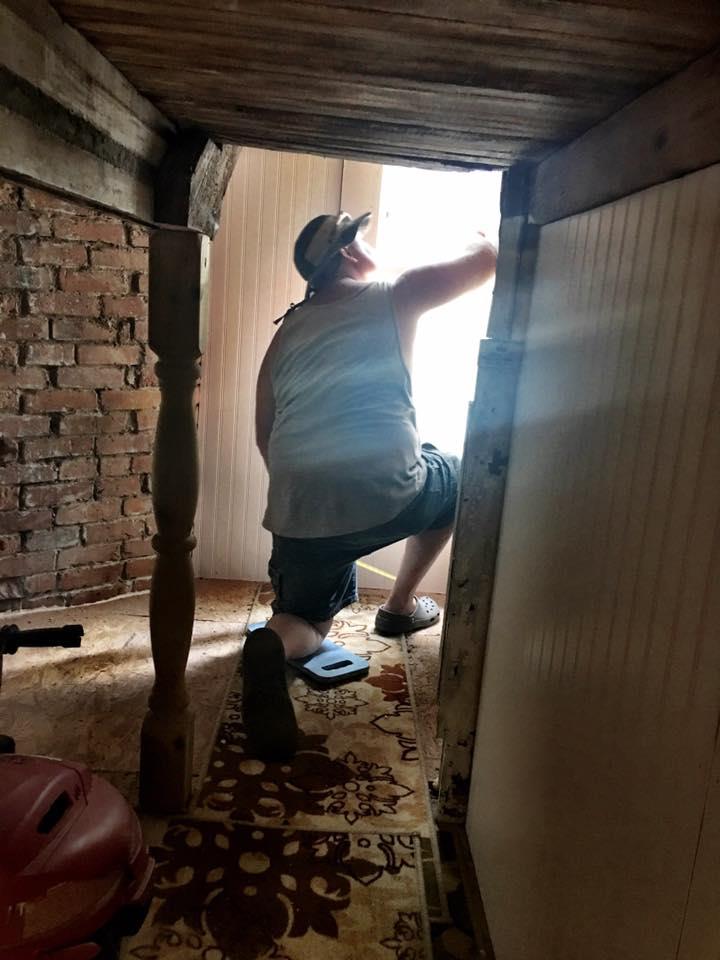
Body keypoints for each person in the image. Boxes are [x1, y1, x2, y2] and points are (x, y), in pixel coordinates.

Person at [243, 210, 497, 761]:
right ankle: (401, 606)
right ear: (353, 254)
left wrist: (312, 502)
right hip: (388, 492)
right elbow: (487, 263)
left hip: (298, 508)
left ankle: (274, 644)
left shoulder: (285, 330)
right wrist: (482, 230)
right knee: (455, 473)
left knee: (308, 621)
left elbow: (265, 435)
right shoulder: (393, 292)